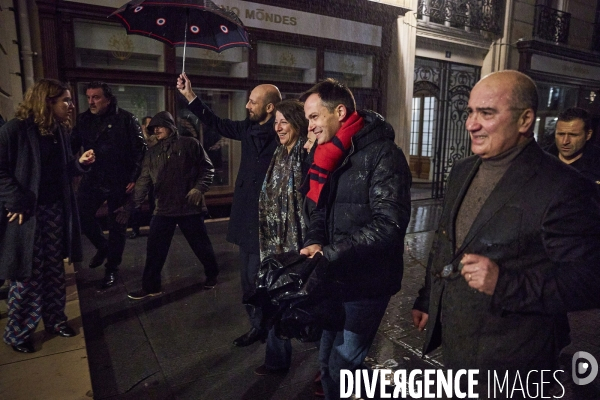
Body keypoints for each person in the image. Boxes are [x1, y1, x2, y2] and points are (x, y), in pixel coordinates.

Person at [411, 71, 600, 394]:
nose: (471, 124)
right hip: (458, 345)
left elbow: (589, 282)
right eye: (470, 112)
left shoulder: (564, 187)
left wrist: (505, 283)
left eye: (486, 113)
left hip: (514, 356)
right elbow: (447, 241)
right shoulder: (462, 170)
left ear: (525, 119)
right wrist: (429, 297)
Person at [298, 78, 412, 399]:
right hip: (333, 278)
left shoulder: (384, 155)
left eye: (314, 117)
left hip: (367, 283)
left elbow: (389, 223)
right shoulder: (327, 153)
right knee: (326, 361)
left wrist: (330, 252)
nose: (310, 126)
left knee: (341, 366)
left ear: (339, 111)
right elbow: (314, 206)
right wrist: (315, 241)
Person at [177, 72, 282, 347]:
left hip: (270, 223)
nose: (247, 105)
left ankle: (274, 333)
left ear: (269, 108)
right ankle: (257, 325)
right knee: (247, 282)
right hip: (246, 219)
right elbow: (217, 122)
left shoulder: (282, 134)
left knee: (266, 282)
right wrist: (190, 96)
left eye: (252, 101)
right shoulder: (247, 129)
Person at [0, 79, 95, 353]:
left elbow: (63, 169)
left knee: (55, 272)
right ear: (47, 102)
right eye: (65, 100)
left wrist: (79, 164)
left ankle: (55, 320)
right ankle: (18, 333)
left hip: (55, 211)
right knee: (27, 276)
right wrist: (16, 200)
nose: (71, 105)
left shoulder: (58, 131)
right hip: (26, 216)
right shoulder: (14, 130)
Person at [127, 111, 219, 299]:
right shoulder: (152, 153)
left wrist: (199, 188)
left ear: (170, 126)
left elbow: (207, 168)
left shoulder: (190, 144)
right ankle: (151, 286)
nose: (156, 130)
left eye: (160, 126)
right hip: (163, 208)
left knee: (201, 246)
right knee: (154, 250)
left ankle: (212, 275)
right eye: (153, 128)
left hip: (188, 206)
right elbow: (144, 181)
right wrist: (132, 206)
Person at [71, 82, 146, 290]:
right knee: (81, 215)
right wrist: (75, 165)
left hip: (119, 179)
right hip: (93, 177)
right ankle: (103, 247)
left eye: (96, 97)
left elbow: (140, 150)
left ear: (108, 98)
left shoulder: (126, 119)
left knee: (117, 226)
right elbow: (72, 146)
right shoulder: (84, 119)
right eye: (88, 97)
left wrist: (134, 176)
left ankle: (112, 268)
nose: (91, 101)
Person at [254, 99, 309, 376]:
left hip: (298, 244)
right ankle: (276, 360)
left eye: (283, 121)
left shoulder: (306, 153)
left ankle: (328, 366)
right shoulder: (280, 152)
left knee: (305, 302)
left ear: (297, 122)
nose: (278, 127)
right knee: (276, 296)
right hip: (274, 243)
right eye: (275, 121)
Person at [546, 107, 600, 185]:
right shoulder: (540, 159)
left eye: (573, 135)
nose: (565, 141)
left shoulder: (596, 164)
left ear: (588, 134)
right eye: (561, 134)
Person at [129, 115, 155, 239]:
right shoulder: (139, 139)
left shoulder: (156, 139)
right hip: (141, 175)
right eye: (148, 125)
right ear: (143, 126)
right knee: (137, 203)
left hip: (154, 175)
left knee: (154, 203)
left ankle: (154, 229)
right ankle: (135, 229)